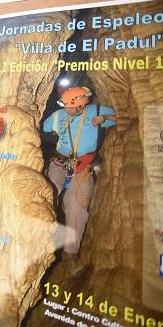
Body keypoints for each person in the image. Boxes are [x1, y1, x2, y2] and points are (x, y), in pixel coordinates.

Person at [42, 86, 116, 275]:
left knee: (77, 209)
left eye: (70, 107)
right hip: (60, 162)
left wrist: (105, 119)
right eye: (65, 106)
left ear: (82, 105)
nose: (67, 109)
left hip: (83, 165)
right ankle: (41, 244)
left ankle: (71, 256)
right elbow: (44, 127)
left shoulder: (97, 111)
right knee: (46, 197)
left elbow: (121, 117)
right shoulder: (59, 115)